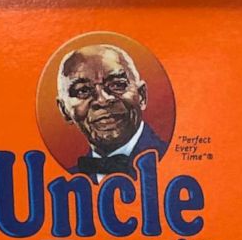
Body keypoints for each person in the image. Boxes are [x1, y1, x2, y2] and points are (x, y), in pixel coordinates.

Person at [56, 44, 168, 179]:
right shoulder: (70, 180)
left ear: (142, 96)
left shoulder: (173, 160)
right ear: (64, 110)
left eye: (117, 85)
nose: (102, 100)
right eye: (83, 91)